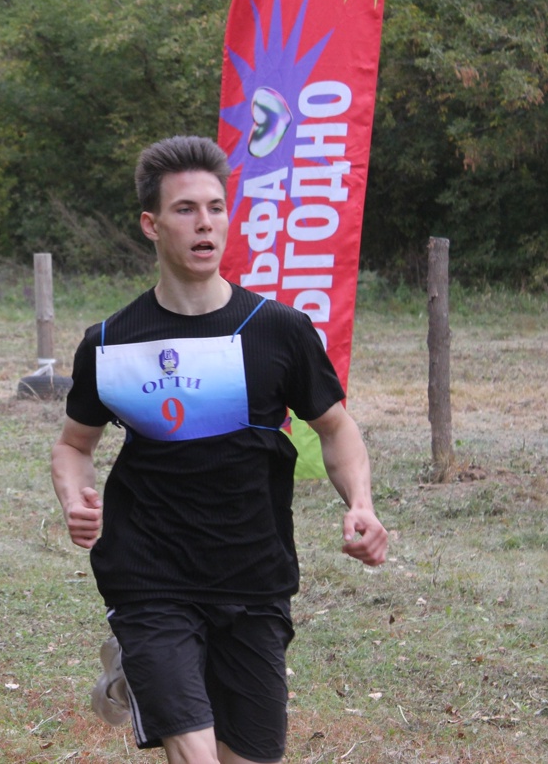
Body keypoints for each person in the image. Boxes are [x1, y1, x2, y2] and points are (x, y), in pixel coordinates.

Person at [50, 135, 388, 764]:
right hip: (149, 572)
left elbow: (336, 429)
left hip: (253, 575)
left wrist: (360, 504)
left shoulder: (279, 330)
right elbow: (74, 444)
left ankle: (144, 672)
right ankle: (148, 660)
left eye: (214, 208)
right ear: (151, 224)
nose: (204, 223)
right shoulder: (111, 342)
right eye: (185, 209)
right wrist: (75, 497)